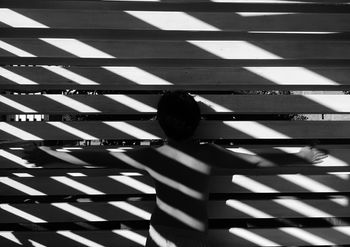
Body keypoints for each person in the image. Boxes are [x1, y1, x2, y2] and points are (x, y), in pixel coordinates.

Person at [19, 91, 327, 247]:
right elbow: (257, 161)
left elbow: (101, 157)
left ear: (159, 123)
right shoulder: (209, 155)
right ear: (197, 124)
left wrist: (48, 155)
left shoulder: (154, 156)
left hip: (161, 235)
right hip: (193, 238)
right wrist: (300, 156)